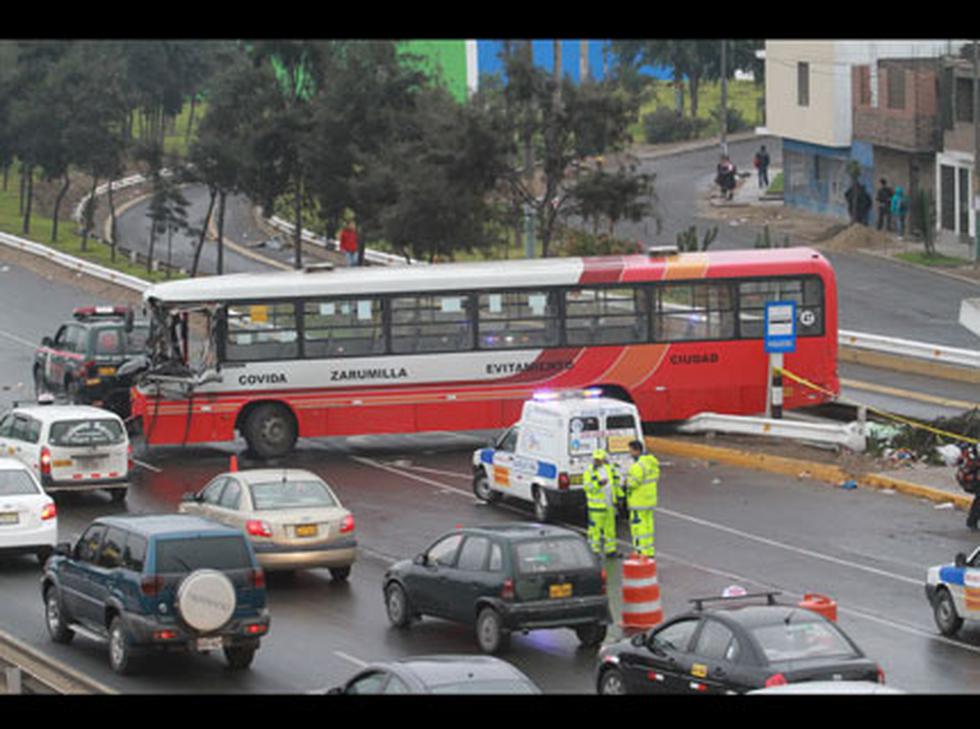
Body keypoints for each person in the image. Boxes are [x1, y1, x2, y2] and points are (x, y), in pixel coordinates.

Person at [583, 449, 624, 558]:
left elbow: (615, 484)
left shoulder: (609, 469)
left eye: (600, 459)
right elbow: (587, 487)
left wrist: (620, 497)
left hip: (609, 505)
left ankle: (610, 550)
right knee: (595, 530)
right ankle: (594, 552)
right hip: (596, 507)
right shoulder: (589, 472)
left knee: (610, 529)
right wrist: (598, 484)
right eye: (596, 459)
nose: (598, 461)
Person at [625, 440, 660, 558]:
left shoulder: (638, 467)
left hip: (638, 501)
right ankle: (649, 551)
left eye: (630, 450)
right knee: (648, 526)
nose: (630, 453)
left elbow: (632, 484)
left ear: (637, 451)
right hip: (649, 500)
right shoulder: (652, 464)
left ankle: (640, 551)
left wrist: (625, 482)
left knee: (638, 528)